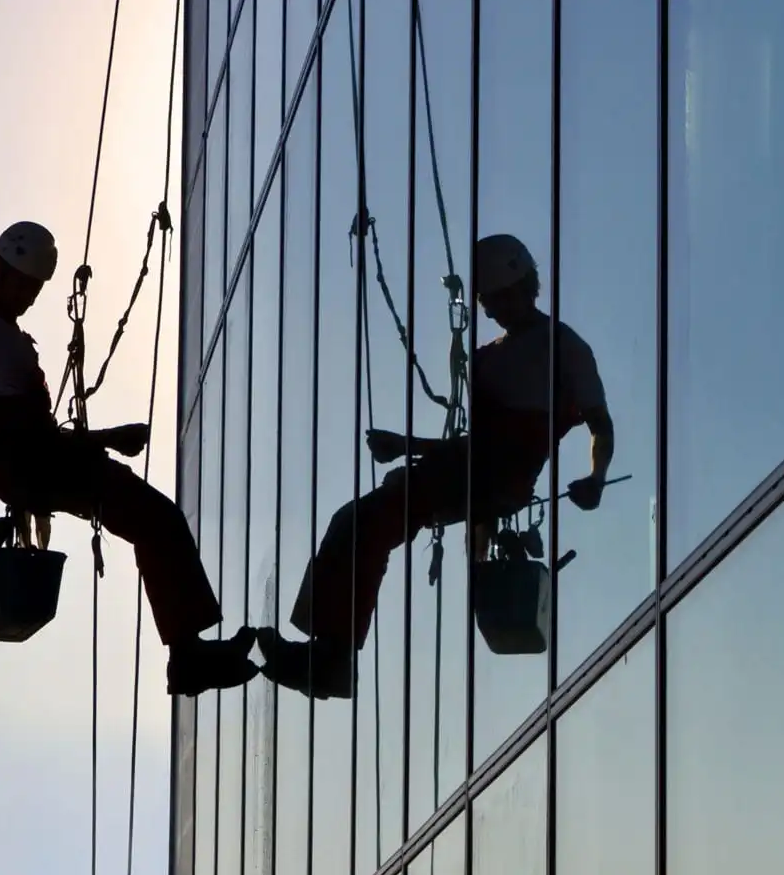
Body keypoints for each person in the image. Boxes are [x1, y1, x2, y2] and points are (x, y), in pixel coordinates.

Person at [256, 233, 616, 699]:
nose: (493, 311)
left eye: (500, 299)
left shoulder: (565, 349)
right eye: (490, 302)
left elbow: (599, 424)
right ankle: (329, 654)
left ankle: (331, 658)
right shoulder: (487, 359)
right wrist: (407, 445)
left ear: (527, 287)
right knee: (358, 521)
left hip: (494, 478)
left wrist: (597, 478)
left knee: (366, 522)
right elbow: (476, 445)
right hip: (476, 472)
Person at [0, 219, 259, 697]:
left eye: (36, 289)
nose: (30, 297)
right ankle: (188, 656)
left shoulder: (12, 339)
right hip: (27, 463)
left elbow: (39, 434)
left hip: (41, 458)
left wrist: (105, 439)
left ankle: (188, 652)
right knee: (155, 518)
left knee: (157, 520)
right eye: (25, 285)